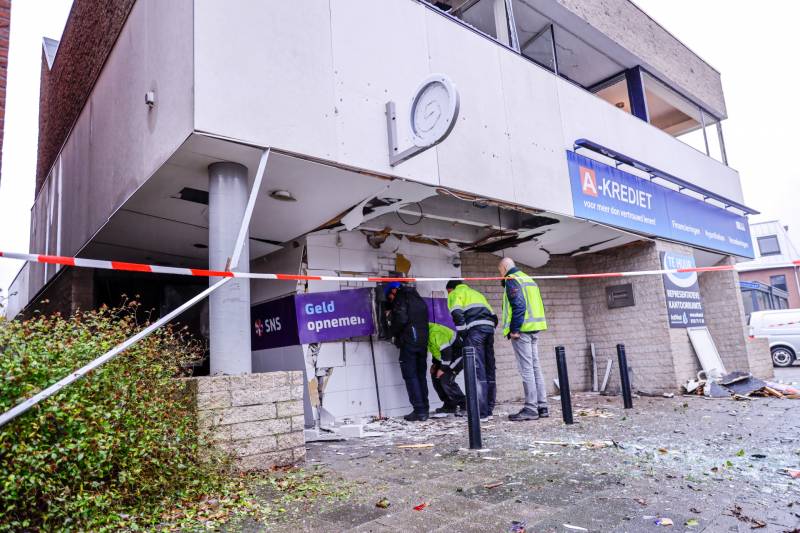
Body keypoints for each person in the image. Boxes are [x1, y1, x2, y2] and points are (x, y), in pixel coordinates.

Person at [498, 257, 549, 421]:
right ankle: (542, 406)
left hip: (523, 331)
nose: (500, 275)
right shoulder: (528, 279)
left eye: (500, 271)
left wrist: (514, 329)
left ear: (505, 267)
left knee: (526, 369)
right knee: (535, 368)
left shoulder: (512, 279)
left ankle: (531, 409)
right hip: (534, 329)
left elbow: (519, 305)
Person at [445, 280, 497, 419]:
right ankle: (489, 410)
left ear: (450, 289)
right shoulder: (476, 293)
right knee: (489, 369)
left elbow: (456, 313)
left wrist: (463, 334)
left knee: (476, 370)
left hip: (475, 332)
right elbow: (494, 316)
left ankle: (481, 413)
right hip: (489, 330)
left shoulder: (455, 293)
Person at [386, 281, 431, 422]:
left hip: (410, 342)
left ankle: (419, 411)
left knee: (410, 376)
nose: (390, 300)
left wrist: (391, 331)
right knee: (420, 375)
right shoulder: (417, 298)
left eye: (389, 297)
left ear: (394, 291)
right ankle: (425, 408)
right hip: (422, 342)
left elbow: (401, 319)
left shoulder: (401, 298)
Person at [427, 322, 466, 415]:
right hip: (448, 358)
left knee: (446, 378)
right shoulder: (427, 334)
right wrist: (435, 364)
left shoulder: (435, 332)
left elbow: (446, 351)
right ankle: (449, 405)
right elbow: (436, 349)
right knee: (435, 376)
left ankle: (465, 405)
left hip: (459, 356)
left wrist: (443, 369)